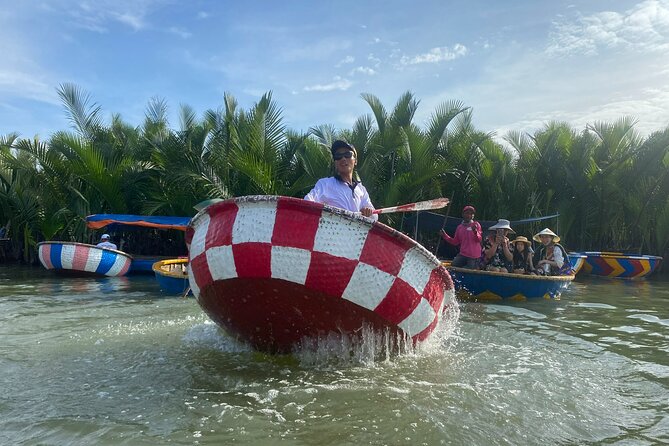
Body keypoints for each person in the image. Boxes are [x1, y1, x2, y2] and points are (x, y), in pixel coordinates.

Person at [304, 140, 377, 220]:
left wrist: (369, 211)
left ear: (355, 161)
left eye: (347, 154)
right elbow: (308, 202)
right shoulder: (325, 184)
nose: (343, 158)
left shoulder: (361, 189)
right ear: (335, 162)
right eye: (338, 156)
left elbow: (374, 216)